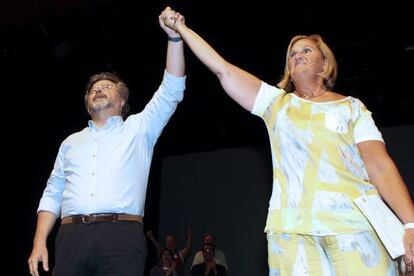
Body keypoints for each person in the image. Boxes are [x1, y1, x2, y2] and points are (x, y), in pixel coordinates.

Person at [162, 8, 414, 275]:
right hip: (292, 235)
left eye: (306, 51)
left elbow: (379, 166)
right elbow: (222, 69)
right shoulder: (276, 103)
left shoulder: (352, 108)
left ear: (324, 64)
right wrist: (182, 30)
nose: (297, 56)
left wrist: (410, 224)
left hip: (354, 227)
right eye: (292, 54)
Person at [27, 7, 185, 276]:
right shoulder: (70, 142)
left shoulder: (139, 129)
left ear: (122, 101)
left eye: (106, 86)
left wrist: (174, 38)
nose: (98, 89)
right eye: (93, 89)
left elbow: (171, 90)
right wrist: (39, 240)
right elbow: (52, 193)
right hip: (70, 238)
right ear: (88, 103)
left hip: (120, 237)